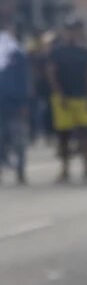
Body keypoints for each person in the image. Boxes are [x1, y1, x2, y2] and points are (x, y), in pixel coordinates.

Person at [48, 19, 87, 184]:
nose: (72, 33)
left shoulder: (85, 51)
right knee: (64, 135)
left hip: (82, 97)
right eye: (69, 30)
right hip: (63, 98)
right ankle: (65, 169)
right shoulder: (57, 51)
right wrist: (59, 94)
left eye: (75, 30)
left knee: (85, 133)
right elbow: (52, 74)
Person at [0, 18, 31, 185]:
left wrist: (25, 101)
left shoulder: (18, 53)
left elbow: (24, 79)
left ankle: (20, 170)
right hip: (3, 102)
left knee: (18, 138)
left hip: (16, 102)